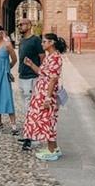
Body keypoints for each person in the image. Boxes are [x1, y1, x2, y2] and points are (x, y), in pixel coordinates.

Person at [22, 33, 67, 161]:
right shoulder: (50, 57)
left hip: (48, 93)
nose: (42, 44)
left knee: (48, 120)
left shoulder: (56, 58)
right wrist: (31, 64)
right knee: (47, 119)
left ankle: (52, 150)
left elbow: (53, 79)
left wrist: (47, 98)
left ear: (51, 43)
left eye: (44, 42)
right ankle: (54, 147)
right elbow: (42, 72)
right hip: (42, 91)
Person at [16, 18, 44, 151]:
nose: (19, 26)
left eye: (22, 24)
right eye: (19, 24)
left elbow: (42, 57)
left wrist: (41, 75)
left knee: (32, 107)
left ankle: (33, 136)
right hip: (22, 76)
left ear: (29, 25)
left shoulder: (36, 40)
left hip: (32, 76)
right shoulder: (22, 40)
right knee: (26, 106)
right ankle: (28, 133)